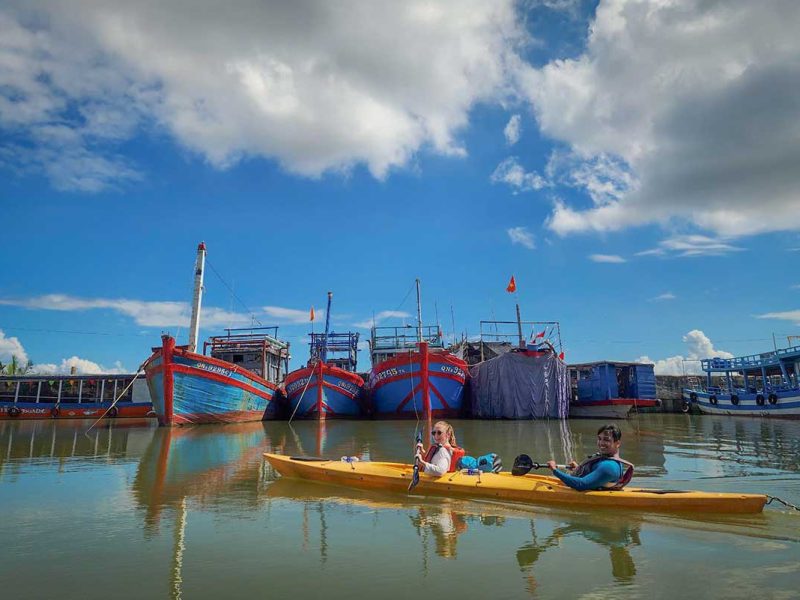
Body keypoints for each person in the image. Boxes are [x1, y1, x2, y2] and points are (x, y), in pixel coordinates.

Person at [546, 424, 634, 491]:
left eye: (606, 440)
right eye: (599, 439)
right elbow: (597, 475)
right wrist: (578, 469)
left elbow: (581, 485)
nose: (601, 443)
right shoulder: (608, 459)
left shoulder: (610, 467)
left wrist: (555, 470)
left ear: (617, 443)